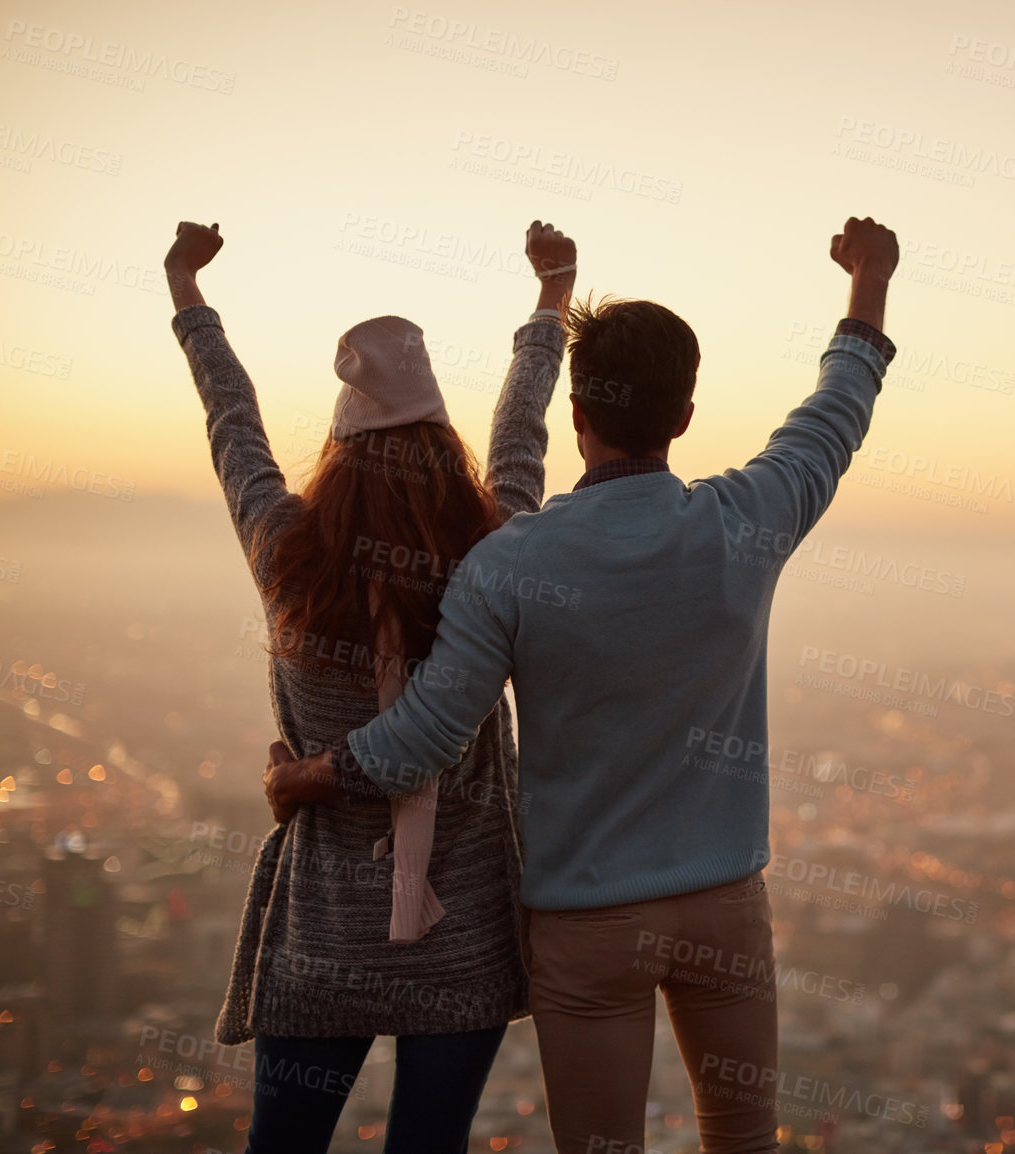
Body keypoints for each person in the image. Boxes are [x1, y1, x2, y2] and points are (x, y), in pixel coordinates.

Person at [267, 215, 901, 1152]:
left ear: (576, 415)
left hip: (585, 920)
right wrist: (870, 281)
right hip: (724, 900)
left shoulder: (510, 564)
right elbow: (838, 408)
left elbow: (426, 737)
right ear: (684, 415)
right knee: (745, 1139)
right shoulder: (748, 522)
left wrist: (305, 777)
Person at [165, 216, 579, 1153]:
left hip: (325, 929)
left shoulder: (288, 553)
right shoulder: (493, 545)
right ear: (442, 443)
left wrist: (189, 292)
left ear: (343, 447)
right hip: (465, 924)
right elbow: (521, 434)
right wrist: (551, 295)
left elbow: (233, 422)